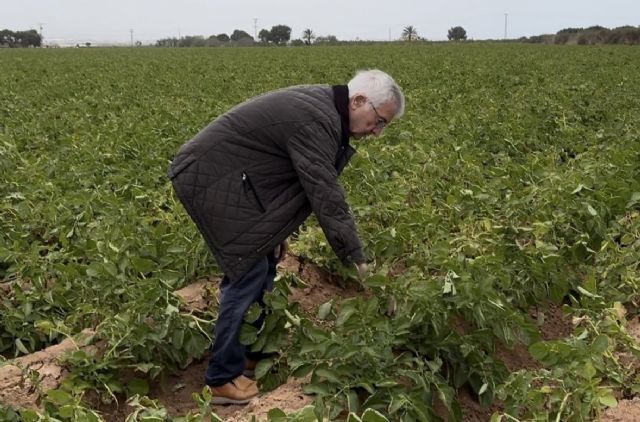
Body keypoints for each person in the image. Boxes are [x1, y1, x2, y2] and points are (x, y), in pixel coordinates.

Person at [167, 69, 405, 404]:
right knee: (246, 272)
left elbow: (290, 178)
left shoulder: (326, 113)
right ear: (359, 101)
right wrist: (359, 263)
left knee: (266, 262)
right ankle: (222, 377)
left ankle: (251, 354)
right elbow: (325, 195)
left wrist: (274, 232)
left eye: (383, 126)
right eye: (378, 121)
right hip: (211, 178)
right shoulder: (318, 119)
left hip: (237, 179)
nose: (377, 132)